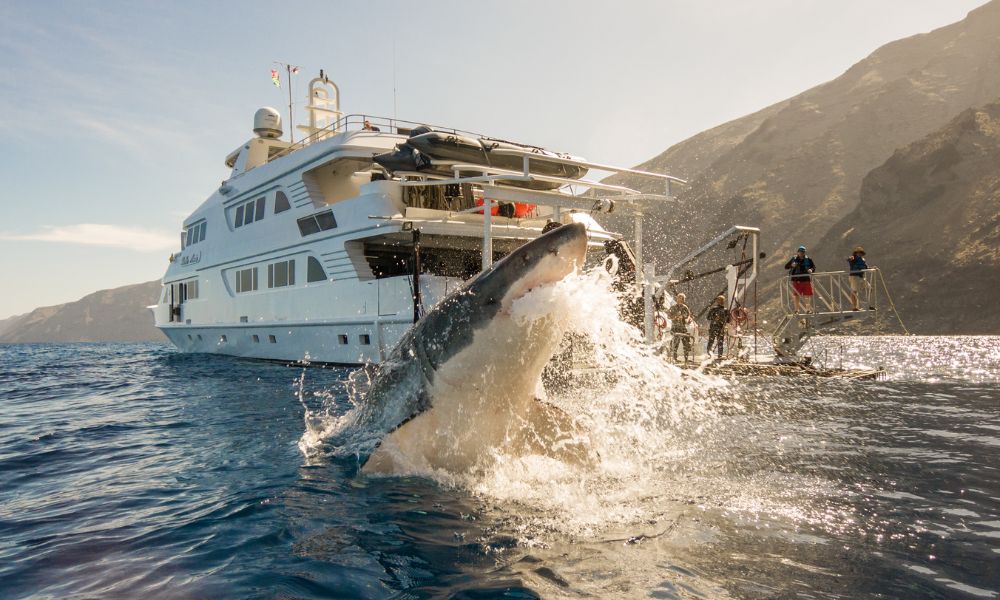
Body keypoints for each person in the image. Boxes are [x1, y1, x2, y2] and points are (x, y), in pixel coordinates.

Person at [784, 245, 816, 313]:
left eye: (803, 252)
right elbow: (786, 266)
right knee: (796, 296)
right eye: (800, 252)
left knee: (807, 295)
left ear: (805, 252)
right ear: (798, 252)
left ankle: (808, 310)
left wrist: (811, 270)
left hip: (806, 280)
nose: (802, 253)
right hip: (796, 281)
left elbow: (813, 267)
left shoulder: (808, 259)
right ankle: (797, 310)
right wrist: (791, 265)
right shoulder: (794, 259)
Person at [667, 293, 693, 363]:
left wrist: (685, 318)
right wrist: (674, 317)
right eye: (679, 298)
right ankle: (674, 358)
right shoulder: (673, 307)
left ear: (684, 300)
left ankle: (686, 359)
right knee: (675, 343)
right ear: (677, 299)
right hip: (675, 327)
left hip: (682, 327)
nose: (681, 300)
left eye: (682, 299)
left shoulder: (685, 307)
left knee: (686, 342)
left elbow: (688, 316)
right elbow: (668, 316)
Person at [705, 295, 731, 359]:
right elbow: (708, 317)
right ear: (717, 301)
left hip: (721, 328)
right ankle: (709, 354)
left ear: (723, 301)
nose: (720, 301)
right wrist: (715, 318)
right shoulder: (713, 309)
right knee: (711, 341)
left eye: (722, 300)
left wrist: (725, 318)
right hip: (713, 327)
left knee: (720, 342)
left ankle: (720, 355)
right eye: (719, 300)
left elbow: (728, 320)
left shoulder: (726, 310)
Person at [846, 245, 869, 311]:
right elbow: (849, 259)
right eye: (858, 253)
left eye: (860, 253)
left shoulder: (863, 260)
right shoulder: (854, 258)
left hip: (860, 276)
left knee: (869, 288)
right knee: (854, 291)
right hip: (854, 276)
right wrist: (850, 258)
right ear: (856, 253)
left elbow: (865, 267)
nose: (859, 254)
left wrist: (871, 268)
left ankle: (868, 305)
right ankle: (854, 307)